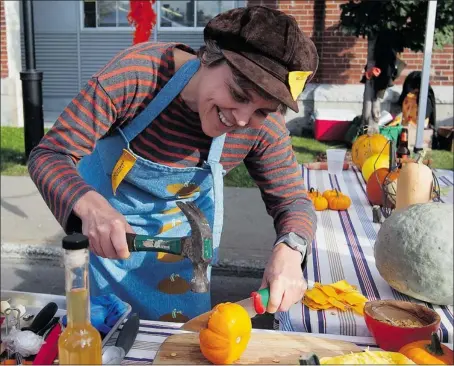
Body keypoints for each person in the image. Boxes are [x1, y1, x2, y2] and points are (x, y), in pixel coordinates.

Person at [28, 6, 319, 321]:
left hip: (181, 257)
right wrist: (90, 208)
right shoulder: (137, 76)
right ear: (210, 55)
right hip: (107, 245)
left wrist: (290, 250)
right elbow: (49, 154)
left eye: (263, 109)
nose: (242, 118)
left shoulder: (263, 129)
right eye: (239, 93)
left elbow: (292, 201)